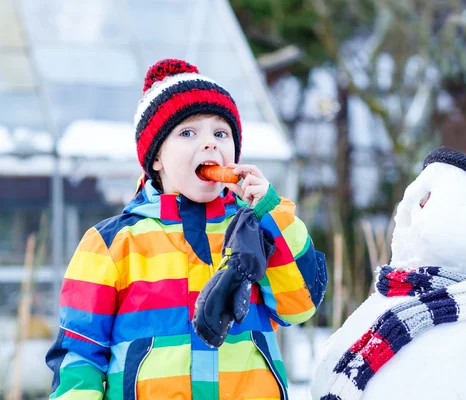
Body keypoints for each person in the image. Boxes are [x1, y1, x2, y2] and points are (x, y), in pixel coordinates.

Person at [45, 59, 328, 400]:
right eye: (188, 132)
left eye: (220, 133)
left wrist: (270, 212)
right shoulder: (111, 243)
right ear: (156, 159)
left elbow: (300, 305)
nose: (210, 144)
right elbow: (79, 355)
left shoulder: (255, 228)